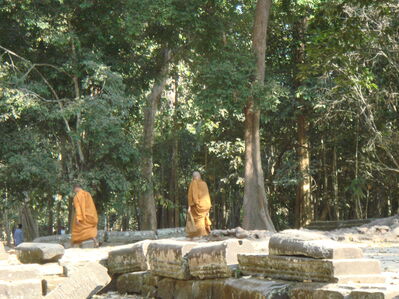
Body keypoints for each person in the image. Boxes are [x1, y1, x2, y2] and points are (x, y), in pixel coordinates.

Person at [187, 171, 212, 237]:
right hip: (207, 205)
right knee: (204, 218)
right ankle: (206, 231)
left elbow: (194, 195)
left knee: (198, 220)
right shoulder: (204, 183)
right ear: (200, 176)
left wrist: (192, 205)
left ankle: (200, 234)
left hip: (199, 205)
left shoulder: (194, 182)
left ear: (194, 177)